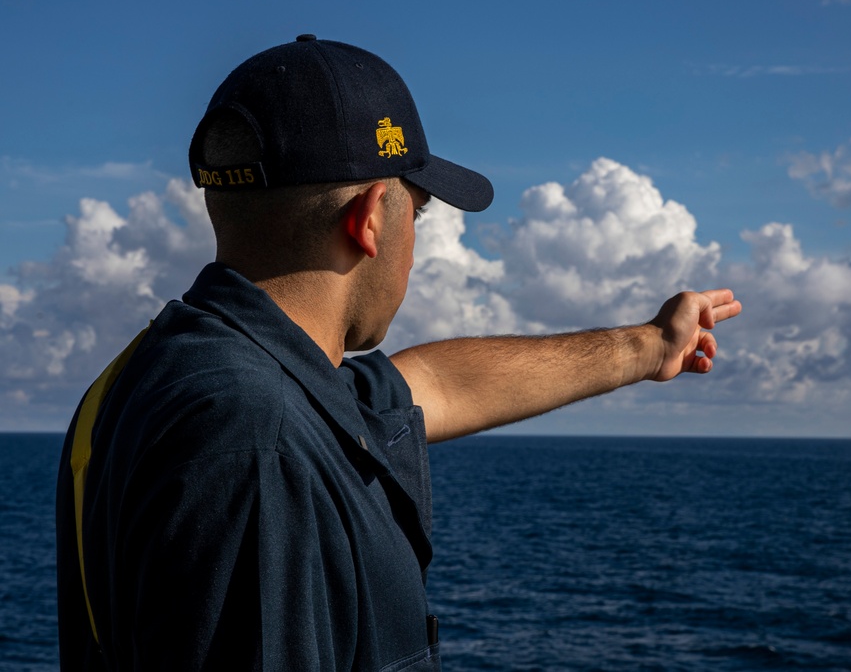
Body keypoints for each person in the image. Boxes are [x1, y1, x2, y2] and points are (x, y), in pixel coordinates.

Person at [55, 35, 742, 671]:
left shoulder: (166, 377)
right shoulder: (256, 438)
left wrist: (649, 346)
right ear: (372, 216)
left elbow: (435, 385)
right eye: (419, 212)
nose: (417, 237)